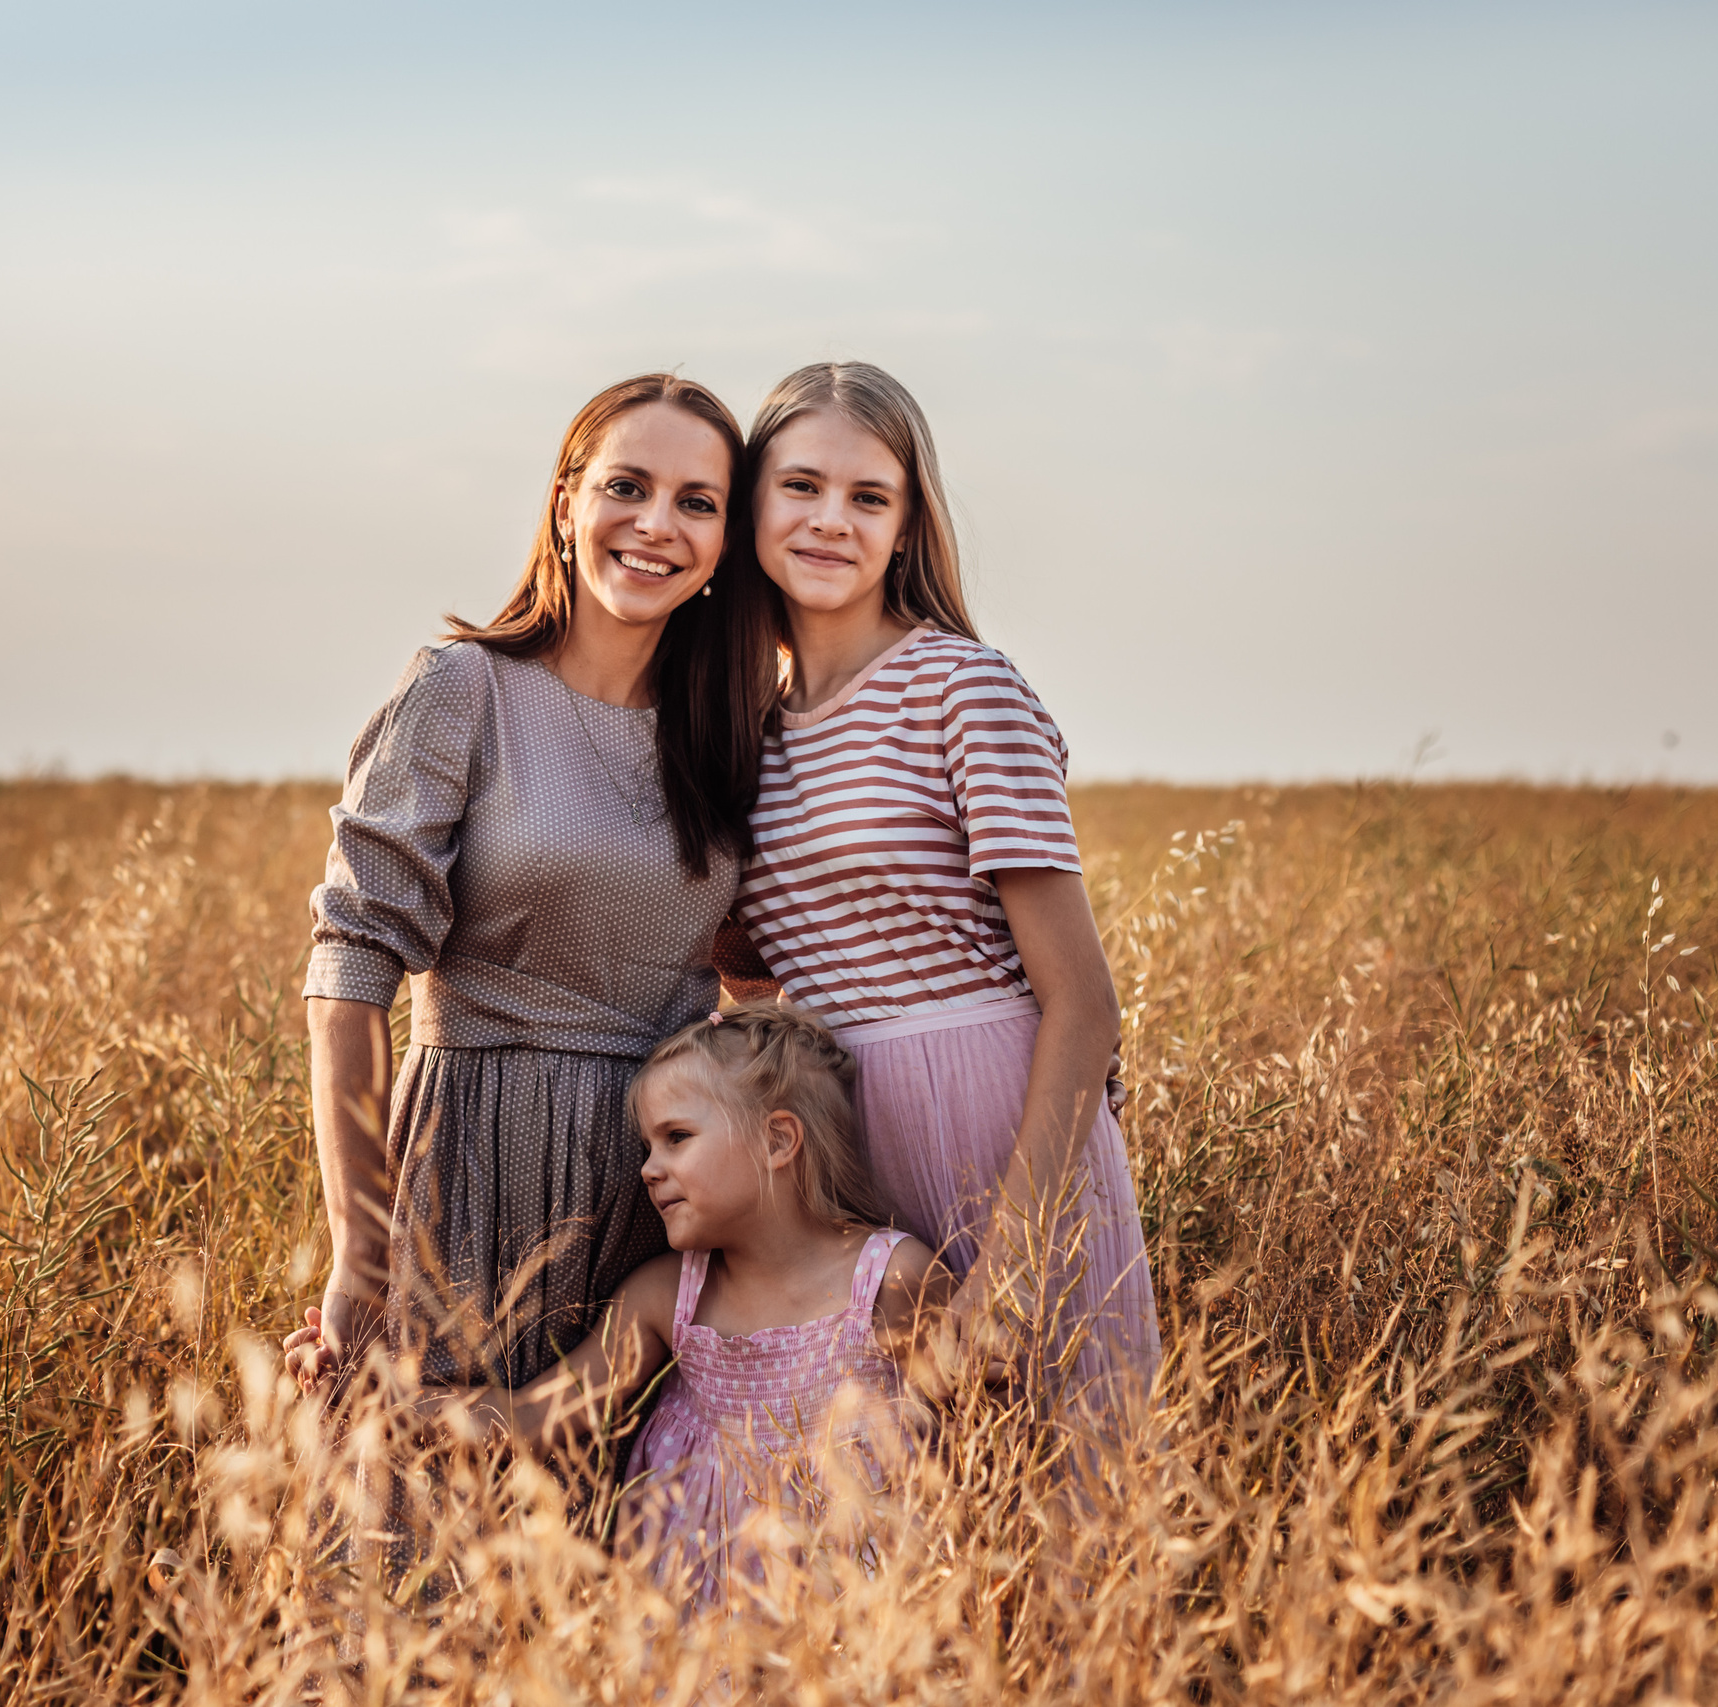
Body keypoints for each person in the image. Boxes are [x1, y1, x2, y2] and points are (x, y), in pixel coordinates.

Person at [297, 373, 779, 1395]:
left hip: (662, 1201)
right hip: (465, 1173)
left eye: (698, 503)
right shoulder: (463, 689)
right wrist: (359, 1251)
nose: (656, 525)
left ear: (726, 543)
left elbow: (765, 980)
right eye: (627, 487)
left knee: (623, 1534)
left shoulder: (730, 736)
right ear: (566, 503)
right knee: (421, 1519)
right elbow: (348, 968)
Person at [726, 360, 1161, 1409]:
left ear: (908, 527)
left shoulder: (962, 688)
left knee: (1060, 1523)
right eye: (800, 486)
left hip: (1002, 1138)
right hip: (845, 1164)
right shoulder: (745, 735)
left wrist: (1012, 1264)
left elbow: (1082, 997)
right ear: (750, 506)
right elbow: (748, 989)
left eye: (869, 497)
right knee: (897, 1540)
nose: (831, 520)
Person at [285, 1003, 944, 1604]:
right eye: (647, 1145)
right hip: (694, 1604)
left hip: (850, 1596)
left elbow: (968, 1440)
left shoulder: (888, 1280)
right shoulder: (670, 1297)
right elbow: (532, 1416)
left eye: (676, 1137)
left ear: (778, 1140)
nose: (648, 1168)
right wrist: (374, 1395)